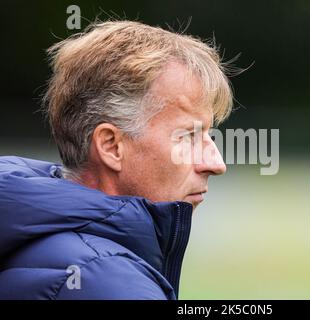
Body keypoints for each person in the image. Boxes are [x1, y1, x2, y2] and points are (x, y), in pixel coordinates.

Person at [0, 20, 232, 299]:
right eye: (188, 136)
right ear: (111, 146)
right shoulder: (106, 282)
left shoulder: (26, 229)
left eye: (209, 136)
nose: (216, 163)